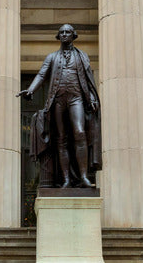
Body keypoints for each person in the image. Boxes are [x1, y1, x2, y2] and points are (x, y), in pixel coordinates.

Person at [17, 24, 101, 188]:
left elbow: (89, 79)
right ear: (58, 36)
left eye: (67, 32)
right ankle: (66, 179)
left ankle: (83, 177)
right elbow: (42, 75)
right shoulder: (52, 57)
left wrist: (91, 97)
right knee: (61, 139)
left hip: (76, 98)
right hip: (57, 100)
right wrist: (31, 90)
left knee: (80, 132)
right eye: (61, 32)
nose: (64, 34)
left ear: (73, 35)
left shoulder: (82, 56)